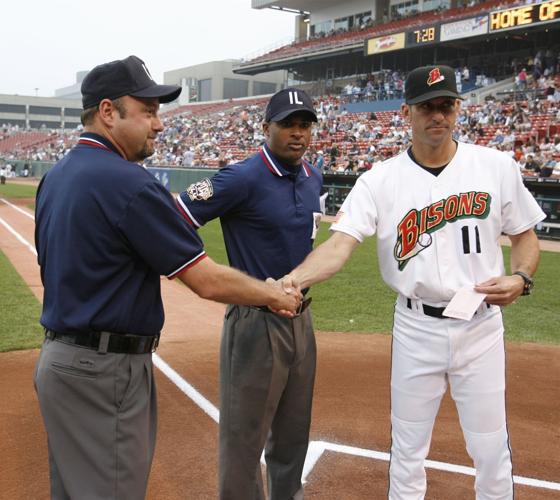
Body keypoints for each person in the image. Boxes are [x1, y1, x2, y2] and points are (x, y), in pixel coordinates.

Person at [33, 55, 300, 500]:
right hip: (105, 372)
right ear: (107, 113)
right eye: (149, 111)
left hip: (59, 363)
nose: (159, 124)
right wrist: (271, 293)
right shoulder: (130, 183)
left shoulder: (56, 177)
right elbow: (207, 280)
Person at [279, 65, 545, 499]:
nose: (436, 115)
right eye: (426, 107)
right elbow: (340, 246)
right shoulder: (378, 180)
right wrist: (292, 281)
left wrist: (521, 277)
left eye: (446, 105)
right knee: (407, 449)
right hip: (416, 327)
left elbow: (524, 236)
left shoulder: (496, 166)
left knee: (491, 446)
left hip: (480, 326)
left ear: (459, 108)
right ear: (406, 111)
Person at [177, 88, 322, 499]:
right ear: (266, 128)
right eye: (288, 124)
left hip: (302, 318)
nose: (298, 133)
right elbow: (176, 219)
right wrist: (210, 274)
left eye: (305, 125)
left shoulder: (314, 176)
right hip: (256, 323)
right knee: (244, 444)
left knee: (293, 438)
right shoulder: (241, 176)